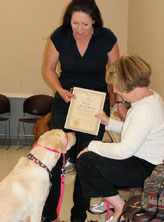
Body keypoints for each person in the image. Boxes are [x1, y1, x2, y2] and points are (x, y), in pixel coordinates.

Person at [42, 0, 125, 221]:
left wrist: (120, 102)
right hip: (65, 97)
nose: (79, 29)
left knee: (86, 157)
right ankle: (49, 214)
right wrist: (59, 89)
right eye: (75, 22)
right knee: (56, 157)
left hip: (95, 100)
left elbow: (117, 74)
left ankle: (79, 213)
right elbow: (49, 69)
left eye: (85, 24)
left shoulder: (107, 37)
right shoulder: (60, 36)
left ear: (94, 22)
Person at [77, 55, 164, 222]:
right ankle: (115, 203)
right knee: (90, 155)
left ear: (128, 83)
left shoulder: (144, 110)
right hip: (145, 160)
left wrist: (94, 146)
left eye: (116, 86)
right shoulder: (150, 97)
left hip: (147, 169)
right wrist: (109, 123)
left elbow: (124, 151)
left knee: (86, 160)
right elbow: (134, 131)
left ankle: (118, 206)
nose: (115, 91)